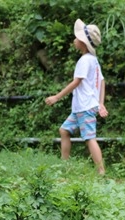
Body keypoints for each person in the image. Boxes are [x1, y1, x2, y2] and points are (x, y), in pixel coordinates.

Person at [45, 19, 108, 175]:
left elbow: (76, 82)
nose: (74, 39)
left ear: (82, 43)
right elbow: (102, 81)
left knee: (89, 138)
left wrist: (56, 97)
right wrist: (101, 103)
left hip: (85, 107)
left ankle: (101, 171)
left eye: (77, 37)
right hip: (81, 107)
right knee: (64, 130)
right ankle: (65, 166)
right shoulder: (93, 60)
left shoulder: (85, 61)